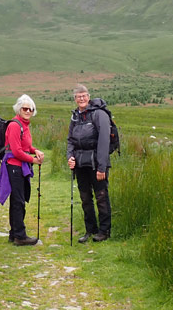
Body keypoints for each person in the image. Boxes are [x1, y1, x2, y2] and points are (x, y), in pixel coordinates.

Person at [0, 94, 45, 246]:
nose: (28, 111)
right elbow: (16, 151)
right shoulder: (15, 125)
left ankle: (14, 233)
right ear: (19, 109)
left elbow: (26, 147)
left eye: (31, 109)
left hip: (20, 167)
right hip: (14, 167)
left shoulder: (25, 125)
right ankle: (20, 236)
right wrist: (33, 160)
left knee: (18, 199)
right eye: (25, 108)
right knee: (18, 201)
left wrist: (35, 150)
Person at [67, 84, 112, 243]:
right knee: (85, 197)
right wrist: (70, 157)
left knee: (101, 196)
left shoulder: (99, 114)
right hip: (80, 164)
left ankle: (104, 231)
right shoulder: (75, 116)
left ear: (89, 96)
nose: (81, 98)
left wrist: (102, 167)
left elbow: (104, 141)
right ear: (74, 99)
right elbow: (70, 140)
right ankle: (90, 230)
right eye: (78, 96)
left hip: (96, 163)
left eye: (84, 95)